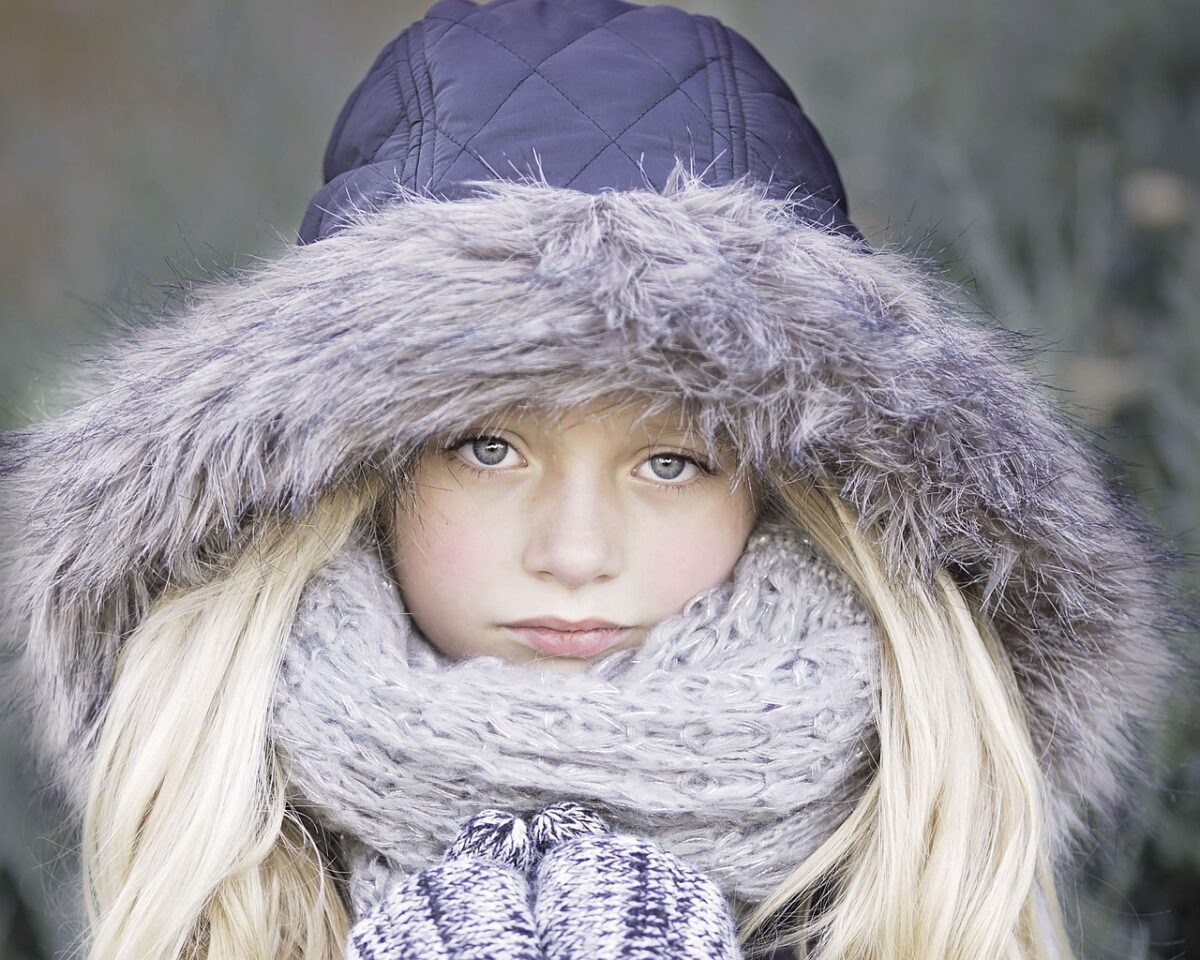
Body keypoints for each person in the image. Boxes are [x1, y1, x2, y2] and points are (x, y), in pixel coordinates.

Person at [0, 0, 1185, 958]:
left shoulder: (937, 894)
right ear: (349, 480)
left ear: (791, 501)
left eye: (671, 461)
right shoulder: (216, 878)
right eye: (488, 447)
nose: (575, 550)